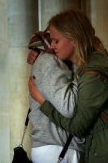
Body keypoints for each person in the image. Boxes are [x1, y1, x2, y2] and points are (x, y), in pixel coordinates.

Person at [27, 9, 108, 163]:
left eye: (56, 41)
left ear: (75, 39)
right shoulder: (97, 62)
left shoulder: (93, 74)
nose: (51, 45)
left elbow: (78, 127)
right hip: (105, 149)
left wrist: (43, 102)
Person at [26, 30, 84, 163]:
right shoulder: (49, 61)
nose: (52, 45)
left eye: (56, 41)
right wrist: (79, 67)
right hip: (58, 148)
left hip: (57, 148)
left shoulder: (51, 59)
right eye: (53, 40)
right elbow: (69, 107)